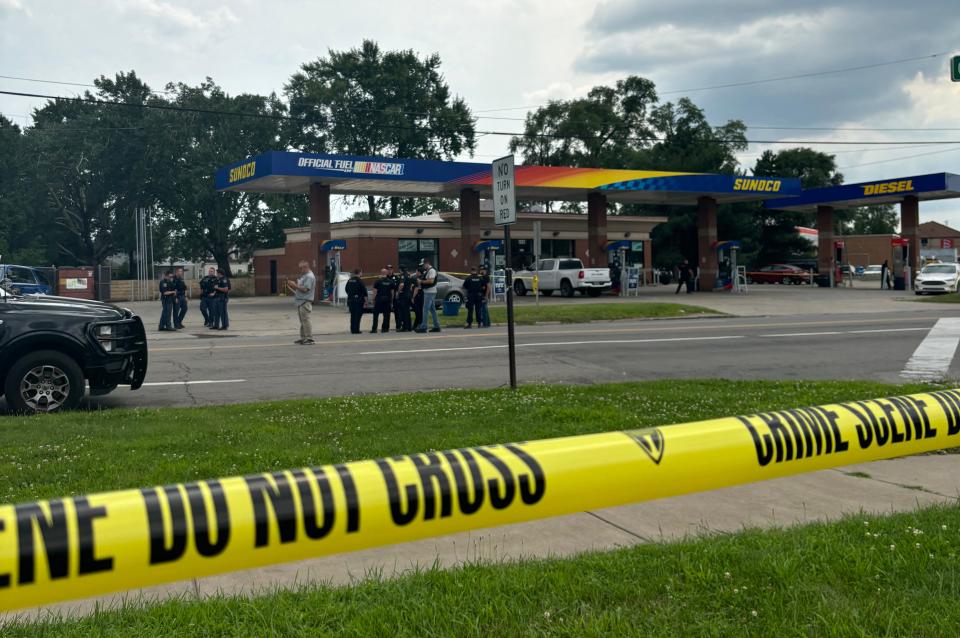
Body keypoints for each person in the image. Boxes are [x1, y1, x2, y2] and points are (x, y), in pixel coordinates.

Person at [287, 260, 316, 345]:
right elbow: (301, 287)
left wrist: (294, 285)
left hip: (305, 301)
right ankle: (304, 338)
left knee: (306, 320)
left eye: (301, 268)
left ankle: (309, 338)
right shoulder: (305, 276)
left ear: (305, 267)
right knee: (303, 321)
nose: (300, 270)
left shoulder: (309, 277)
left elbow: (305, 289)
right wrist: (294, 285)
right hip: (301, 301)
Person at [415, 259, 441, 333]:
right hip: (430, 291)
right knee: (432, 310)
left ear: (427, 263)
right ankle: (437, 326)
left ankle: (424, 326)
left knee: (425, 309)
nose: (423, 266)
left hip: (430, 292)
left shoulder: (432, 270)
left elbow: (431, 281)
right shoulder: (429, 270)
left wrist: (421, 281)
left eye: (423, 265)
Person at [371, 268, 395, 333]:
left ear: (381, 273)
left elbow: (375, 291)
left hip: (379, 299)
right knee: (386, 315)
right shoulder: (390, 281)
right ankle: (385, 329)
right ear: (387, 273)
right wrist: (391, 300)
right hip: (387, 300)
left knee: (376, 315)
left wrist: (373, 299)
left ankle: (374, 329)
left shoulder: (377, 281)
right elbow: (392, 292)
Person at [345, 268, 367, 334]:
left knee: (352, 315)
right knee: (358, 315)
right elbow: (364, 292)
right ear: (360, 272)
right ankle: (356, 330)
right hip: (358, 301)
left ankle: (352, 329)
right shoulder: (360, 281)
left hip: (351, 300)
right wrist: (366, 302)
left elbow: (346, 289)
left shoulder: (350, 280)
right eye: (361, 272)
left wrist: (351, 295)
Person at [396, 265, 415, 332]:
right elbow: (412, 285)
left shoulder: (403, 276)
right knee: (407, 311)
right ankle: (409, 327)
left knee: (404, 312)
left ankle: (405, 327)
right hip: (408, 295)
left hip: (403, 295)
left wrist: (398, 293)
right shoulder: (409, 275)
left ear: (401, 270)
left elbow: (401, 285)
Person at [412, 266, 424, 330]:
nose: (415, 272)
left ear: (419, 272)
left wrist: (413, 297)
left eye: (416, 271)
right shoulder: (423, 277)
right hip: (422, 296)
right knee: (419, 312)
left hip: (418, 296)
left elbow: (417, 288)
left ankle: (419, 324)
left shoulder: (418, 279)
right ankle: (415, 325)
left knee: (418, 312)